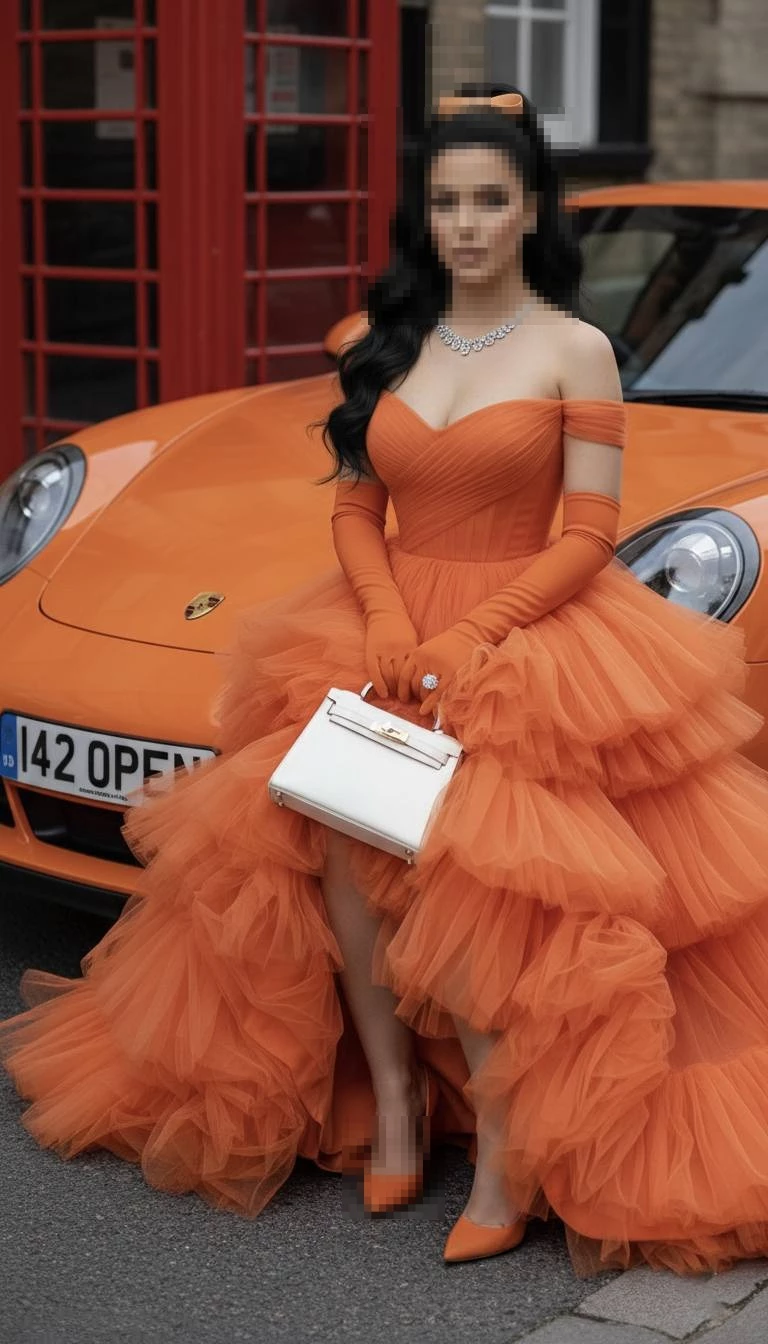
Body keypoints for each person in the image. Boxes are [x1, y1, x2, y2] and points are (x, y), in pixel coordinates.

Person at [4, 83, 768, 1277]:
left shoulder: (578, 348)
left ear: (528, 215)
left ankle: (510, 1155)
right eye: (445, 202)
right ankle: (400, 1109)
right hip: (381, 627)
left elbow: (587, 529)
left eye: (490, 202)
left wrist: (478, 637)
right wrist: (380, 616)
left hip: (537, 639)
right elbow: (358, 509)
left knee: (478, 892)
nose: (465, 224)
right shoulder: (387, 343)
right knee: (352, 865)